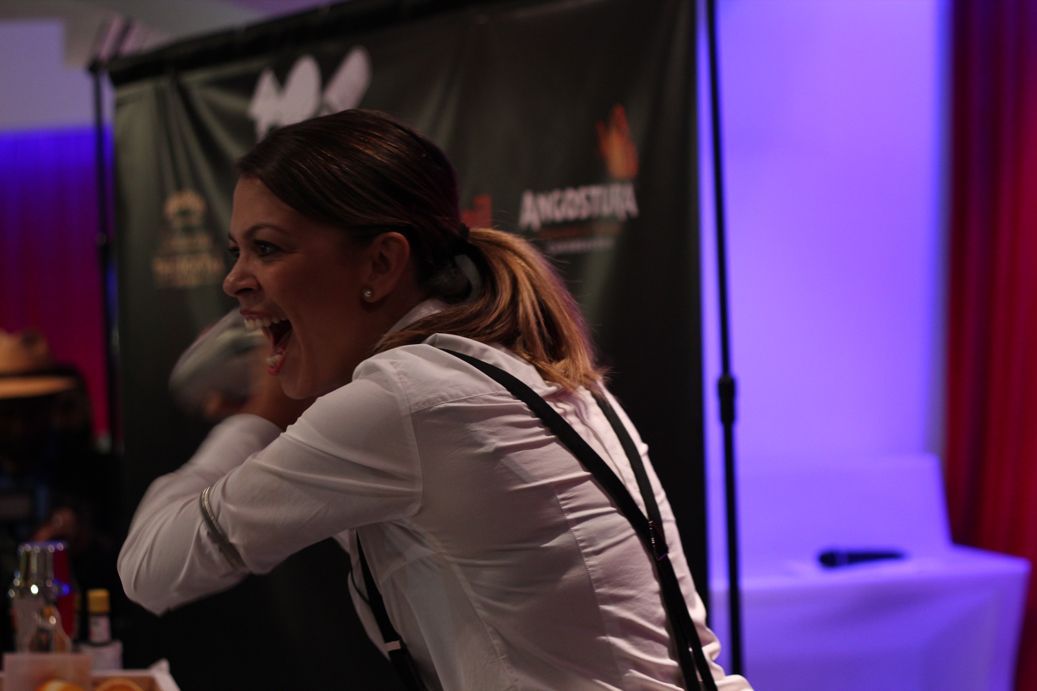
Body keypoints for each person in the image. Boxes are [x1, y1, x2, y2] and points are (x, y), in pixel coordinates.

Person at [118, 110, 752, 691]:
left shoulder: (404, 400)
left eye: (267, 248)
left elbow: (149, 568)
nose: (234, 280)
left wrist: (260, 419)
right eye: (237, 251)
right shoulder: (501, 368)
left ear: (380, 263)